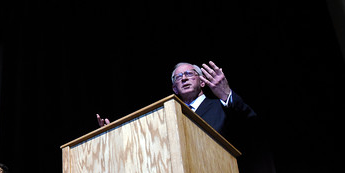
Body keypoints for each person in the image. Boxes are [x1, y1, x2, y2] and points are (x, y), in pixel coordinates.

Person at [97, 61, 256, 138]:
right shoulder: (168, 118)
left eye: (189, 74)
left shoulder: (221, 107)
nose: (184, 79)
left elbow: (250, 123)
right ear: (174, 88)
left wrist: (226, 93)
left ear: (202, 81)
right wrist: (114, 134)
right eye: (178, 77)